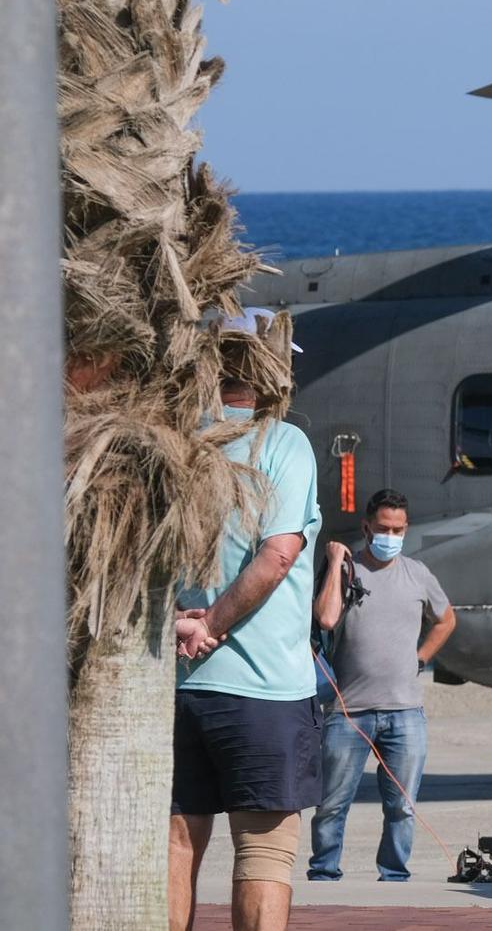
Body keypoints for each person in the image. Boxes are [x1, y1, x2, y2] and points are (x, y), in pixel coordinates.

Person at [169, 310, 321, 931]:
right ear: (270, 368)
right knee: (264, 849)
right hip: (263, 688)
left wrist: (185, 625)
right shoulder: (284, 443)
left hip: (178, 687)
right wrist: (216, 624)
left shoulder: (177, 439)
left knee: (177, 843)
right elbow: (278, 554)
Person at [309, 488, 457, 881]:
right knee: (332, 802)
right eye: (383, 528)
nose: (390, 536)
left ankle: (393, 873)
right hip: (348, 712)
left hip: (405, 711)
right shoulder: (346, 571)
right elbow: (324, 618)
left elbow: (445, 620)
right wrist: (337, 559)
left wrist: (421, 657)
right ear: (366, 527)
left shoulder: (417, 574)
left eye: (399, 530)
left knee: (402, 805)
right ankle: (324, 870)